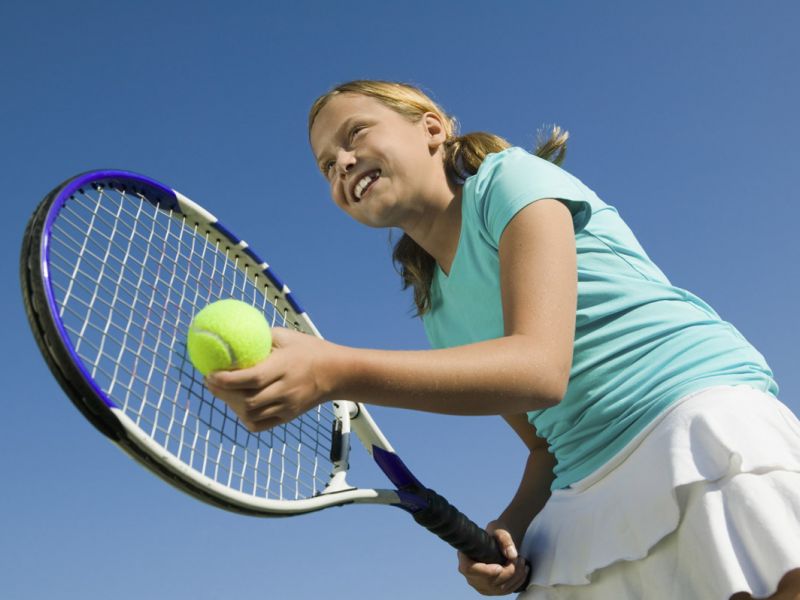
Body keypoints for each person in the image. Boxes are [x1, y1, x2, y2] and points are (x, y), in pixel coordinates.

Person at [205, 80, 800, 599]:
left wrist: (335, 370)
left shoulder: (509, 180)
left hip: (690, 419)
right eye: (326, 164)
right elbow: (544, 445)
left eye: (355, 134)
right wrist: (512, 523)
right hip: (583, 487)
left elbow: (539, 368)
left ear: (431, 130)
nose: (342, 162)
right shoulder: (436, 308)